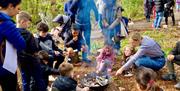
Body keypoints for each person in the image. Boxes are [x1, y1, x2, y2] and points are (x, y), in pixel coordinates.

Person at [16, 11, 46, 91]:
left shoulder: (13, 33)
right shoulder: (28, 34)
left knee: (25, 82)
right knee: (39, 80)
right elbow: (34, 49)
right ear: (22, 22)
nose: (28, 26)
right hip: (32, 61)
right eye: (28, 23)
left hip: (21, 62)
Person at [0, 0, 26, 91]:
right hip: (5, 68)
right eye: (18, 8)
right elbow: (21, 44)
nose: (19, 12)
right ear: (11, 6)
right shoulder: (6, 23)